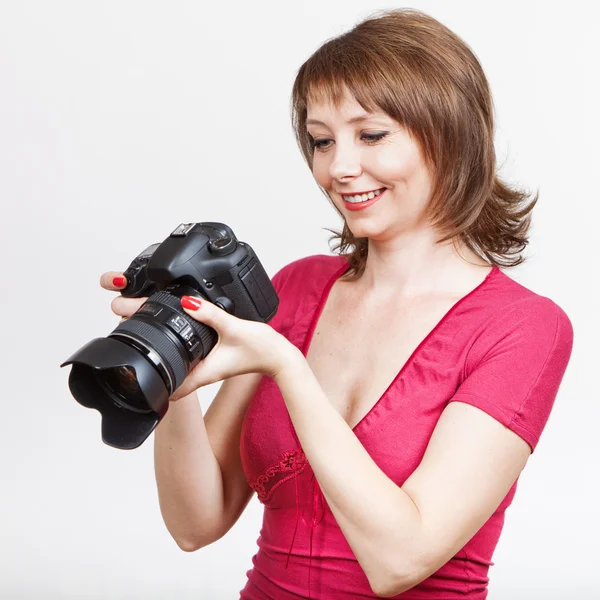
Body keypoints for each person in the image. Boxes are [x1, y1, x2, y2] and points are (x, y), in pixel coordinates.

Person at [100, 8, 573, 600]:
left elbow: (400, 560)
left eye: (371, 135)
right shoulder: (296, 289)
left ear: (450, 135)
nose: (339, 168)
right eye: (322, 141)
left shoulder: (524, 327)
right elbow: (196, 524)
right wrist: (170, 359)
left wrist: (287, 367)